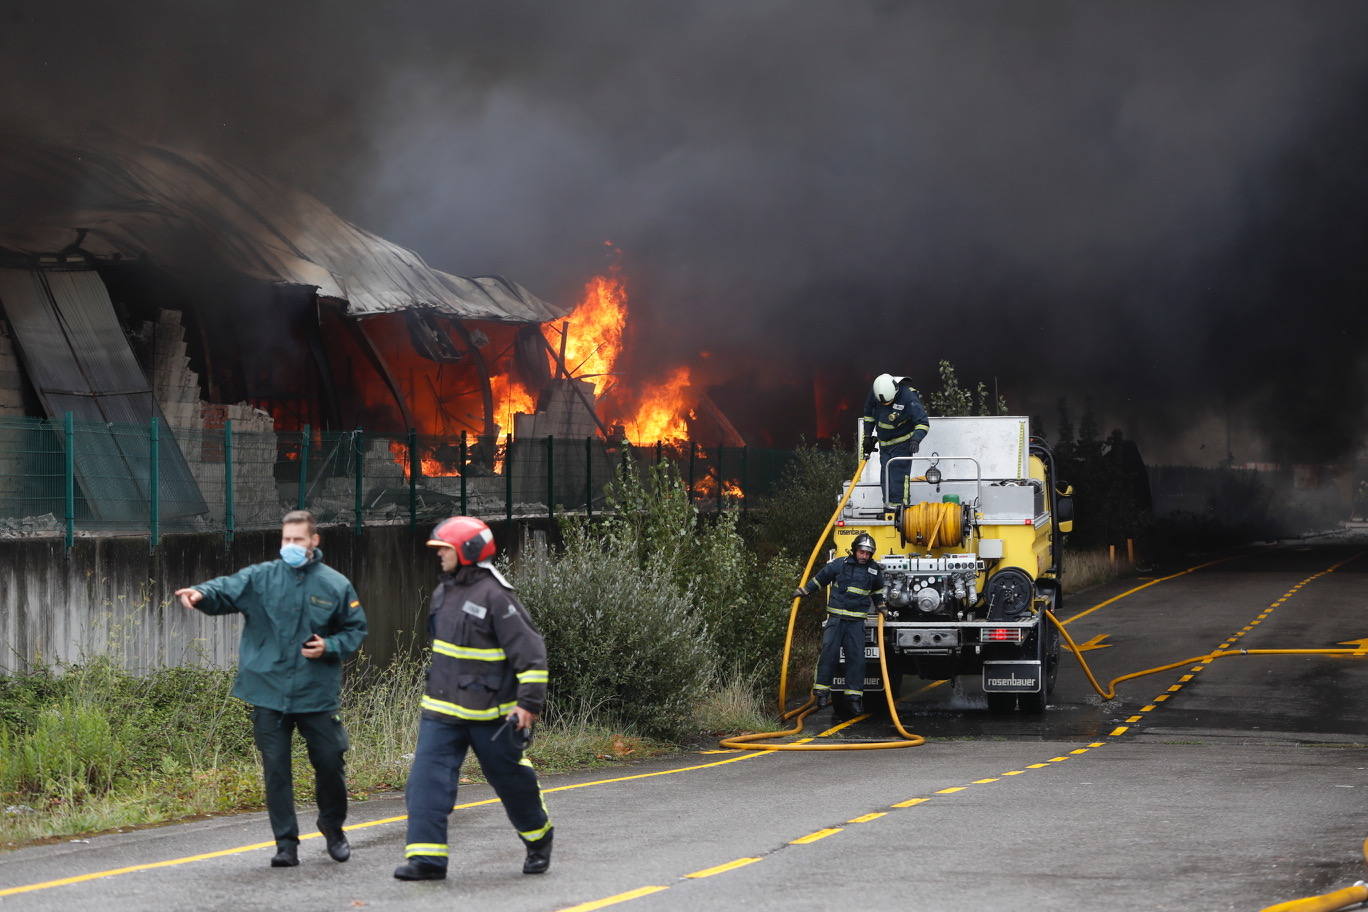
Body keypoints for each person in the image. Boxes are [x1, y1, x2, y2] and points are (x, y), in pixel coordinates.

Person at [174, 509, 367, 868]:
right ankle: (286, 844)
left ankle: (332, 826)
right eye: (286, 540)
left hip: (316, 693)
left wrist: (331, 646)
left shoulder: (335, 584)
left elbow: (354, 630)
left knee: (329, 762)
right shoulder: (262, 577)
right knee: (276, 770)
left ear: (314, 541)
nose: (290, 546)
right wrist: (200, 594)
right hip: (268, 691)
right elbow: (225, 589)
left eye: (297, 540)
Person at [394, 516, 553, 882]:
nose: (440, 556)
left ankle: (538, 838)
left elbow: (532, 656)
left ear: (467, 551)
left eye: (445, 549)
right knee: (426, 783)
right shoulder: (443, 591)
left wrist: (528, 704)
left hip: (491, 717)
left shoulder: (497, 597)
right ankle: (427, 860)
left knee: (512, 782)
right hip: (441, 711)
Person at [792, 532, 885, 717]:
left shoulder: (874, 571)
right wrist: (805, 590)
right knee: (829, 655)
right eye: (861, 552)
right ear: (854, 550)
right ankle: (821, 695)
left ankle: (854, 699)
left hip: (856, 623)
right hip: (836, 620)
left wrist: (882, 606)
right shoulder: (839, 565)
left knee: (857, 660)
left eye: (868, 553)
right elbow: (821, 579)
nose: (864, 556)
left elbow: (877, 591)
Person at [862, 373, 931, 506]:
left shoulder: (908, 397)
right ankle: (888, 507)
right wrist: (867, 437)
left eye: (889, 402)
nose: (886, 405)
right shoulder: (876, 392)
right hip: (884, 444)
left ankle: (901, 511)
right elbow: (869, 415)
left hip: (902, 444)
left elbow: (923, 423)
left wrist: (916, 440)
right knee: (886, 479)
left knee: (899, 479)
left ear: (895, 390)